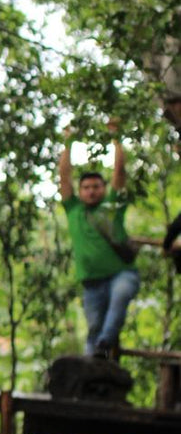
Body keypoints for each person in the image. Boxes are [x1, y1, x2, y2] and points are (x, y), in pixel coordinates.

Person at [59, 120, 139, 359]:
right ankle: (92, 365)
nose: (91, 191)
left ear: (104, 189)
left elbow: (120, 172)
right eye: (86, 187)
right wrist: (68, 141)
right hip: (92, 283)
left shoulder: (111, 207)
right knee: (93, 327)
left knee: (120, 296)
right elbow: (64, 175)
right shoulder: (73, 209)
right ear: (80, 191)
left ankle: (105, 341)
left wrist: (116, 138)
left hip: (121, 274)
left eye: (96, 186)